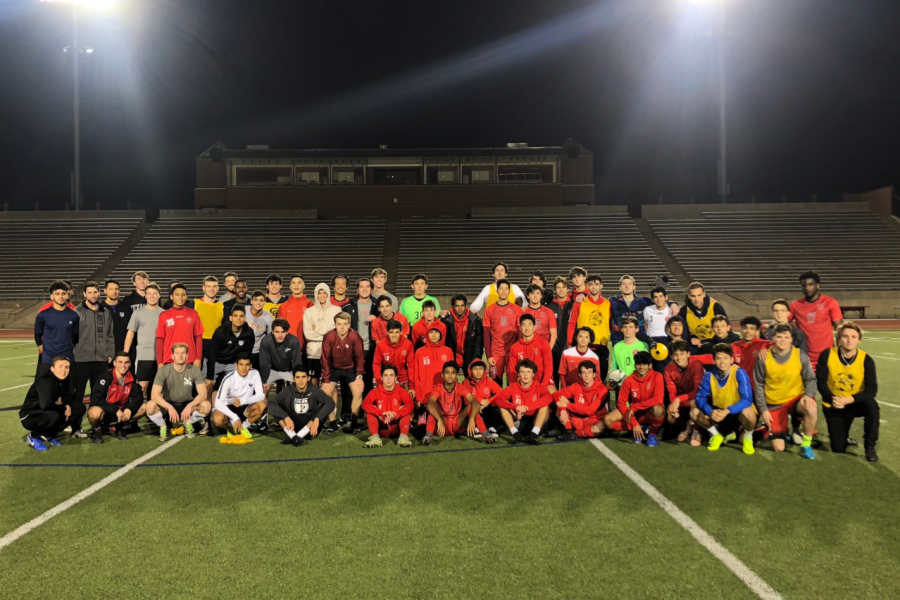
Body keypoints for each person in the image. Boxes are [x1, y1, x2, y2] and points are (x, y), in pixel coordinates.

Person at [817, 321, 879, 461]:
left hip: (855, 402)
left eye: (853, 336)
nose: (849, 340)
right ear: (839, 339)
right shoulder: (827, 355)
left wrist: (850, 399)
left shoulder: (866, 359)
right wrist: (833, 398)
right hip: (834, 403)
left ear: (859, 340)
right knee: (838, 448)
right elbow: (821, 382)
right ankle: (843, 436)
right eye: (845, 336)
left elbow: (872, 389)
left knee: (872, 406)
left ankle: (870, 447)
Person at [753, 324, 818, 459]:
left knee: (811, 408)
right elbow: (758, 384)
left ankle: (806, 446)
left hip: (795, 399)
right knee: (779, 448)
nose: (782, 340)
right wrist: (763, 409)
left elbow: (810, 379)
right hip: (774, 403)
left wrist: (808, 395)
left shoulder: (800, 355)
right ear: (773, 338)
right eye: (779, 337)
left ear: (791, 340)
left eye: (786, 337)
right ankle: (769, 429)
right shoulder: (764, 358)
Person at [692, 344, 757, 455]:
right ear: (714, 360)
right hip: (719, 413)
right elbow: (699, 398)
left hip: (737, 413)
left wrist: (727, 411)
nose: (722, 362)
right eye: (718, 358)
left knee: (749, 413)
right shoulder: (709, 375)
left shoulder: (739, 372)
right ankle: (716, 435)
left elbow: (747, 400)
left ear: (731, 359)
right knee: (694, 412)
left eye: (725, 358)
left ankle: (748, 437)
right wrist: (710, 411)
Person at [71, 281, 115, 438]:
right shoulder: (77, 312)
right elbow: (71, 336)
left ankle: (100, 424)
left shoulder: (105, 312)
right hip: (81, 360)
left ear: (99, 293)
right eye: (89, 292)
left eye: (95, 292)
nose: (93, 295)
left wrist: (110, 353)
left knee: (100, 394)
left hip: (101, 360)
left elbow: (110, 335)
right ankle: (76, 427)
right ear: (84, 294)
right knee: (79, 395)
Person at [147, 343, 210, 441]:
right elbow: (154, 395)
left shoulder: (195, 370)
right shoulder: (163, 371)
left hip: (187, 404)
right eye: (177, 353)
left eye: (183, 353)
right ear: (172, 356)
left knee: (206, 406)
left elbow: (203, 394)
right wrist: (169, 407)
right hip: (168, 405)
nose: (180, 355)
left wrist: (190, 406)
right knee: (150, 406)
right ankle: (163, 426)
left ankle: (188, 422)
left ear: (187, 356)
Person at [606, 352, 665, 447]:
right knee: (607, 420)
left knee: (658, 409)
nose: (641, 367)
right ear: (635, 365)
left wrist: (634, 408)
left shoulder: (657, 376)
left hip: (648, 412)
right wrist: (634, 423)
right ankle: (639, 429)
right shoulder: (628, 380)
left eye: (644, 364)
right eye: (638, 364)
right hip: (635, 415)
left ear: (650, 365)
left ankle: (652, 434)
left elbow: (658, 399)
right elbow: (621, 403)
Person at [422, 362, 488, 445]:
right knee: (432, 410)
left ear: (457, 376)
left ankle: (485, 434)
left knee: (472, 407)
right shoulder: (438, 389)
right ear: (442, 375)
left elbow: (474, 402)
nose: (450, 376)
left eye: (453, 373)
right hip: (443, 424)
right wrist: (439, 419)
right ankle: (428, 436)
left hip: (458, 423)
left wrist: (471, 418)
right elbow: (430, 403)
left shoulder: (461, 388)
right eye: (447, 373)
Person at [86, 352, 145, 443]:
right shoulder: (105, 377)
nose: (123, 365)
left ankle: (118, 427)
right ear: (114, 363)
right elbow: (95, 399)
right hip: (106, 412)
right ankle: (97, 431)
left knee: (144, 408)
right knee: (94, 413)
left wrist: (129, 408)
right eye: (120, 362)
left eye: (126, 362)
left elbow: (139, 396)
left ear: (129, 364)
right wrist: (115, 410)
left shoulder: (132, 377)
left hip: (122, 412)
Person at [269, 366, 336, 447]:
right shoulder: (288, 390)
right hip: (293, 427)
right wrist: (286, 417)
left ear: (308, 378)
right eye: (297, 377)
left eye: (303, 377)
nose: (301, 380)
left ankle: (297, 436)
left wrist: (317, 419)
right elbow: (271, 403)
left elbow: (330, 403)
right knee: (276, 408)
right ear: (293, 379)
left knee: (324, 406)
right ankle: (293, 436)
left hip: (311, 429)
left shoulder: (314, 390)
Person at [320, 312, 365, 431]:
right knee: (326, 392)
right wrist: (325, 379)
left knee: (358, 391)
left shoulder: (355, 336)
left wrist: (359, 376)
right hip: (333, 368)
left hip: (350, 368)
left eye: (345, 324)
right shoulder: (329, 336)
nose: (342, 327)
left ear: (349, 324)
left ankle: (354, 423)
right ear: (335, 324)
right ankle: (332, 423)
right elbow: (324, 358)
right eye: (339, 324)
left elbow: (360, 357)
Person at [790, 271, 843, 369]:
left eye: (810, 285)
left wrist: (840, 352)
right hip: (804, 356)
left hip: (827, 355)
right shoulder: (795, 305)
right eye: (804, 285)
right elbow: (783, 323)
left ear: (818, 285)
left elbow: (840, 330)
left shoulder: (830, 302)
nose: (807, 288)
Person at [492, 359, 552, 444]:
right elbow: (498, 399)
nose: (525, 375)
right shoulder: (513, 386)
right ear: (518, 374)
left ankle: (534, 435)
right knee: (502, 407)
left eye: (528, 372)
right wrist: (515, 407)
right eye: (522, 372)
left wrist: (527, 408)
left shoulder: (539, 386)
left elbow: (548, 398)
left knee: (545, 406)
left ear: (533, 374)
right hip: (519, 422)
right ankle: (515, 434)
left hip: (535, 422)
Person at [21, 356, 75, 451]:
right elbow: (45, 405)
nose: (64, 370)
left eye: (67, 367)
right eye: (60, 366)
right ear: (52, 368)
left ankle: (49, 434)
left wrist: (67, 405)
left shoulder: (66, 379)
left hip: (46, 411)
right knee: (53, 415)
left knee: (78, 409)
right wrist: (64, 408)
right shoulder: (45, 381)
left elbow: (68, 396)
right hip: (29, 415)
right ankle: (33, 436)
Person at [211, 354, 266, 440]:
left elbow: (261, 395)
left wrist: (243, 401)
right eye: (241, 364)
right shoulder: (228, 379)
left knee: (262, 405)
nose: (244, 368)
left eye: (247, 364)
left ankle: (243, 427)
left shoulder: (255, 373)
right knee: (217, 418)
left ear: (250, 366)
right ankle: (231, 426)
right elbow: (218, 403)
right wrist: (235, 417)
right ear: (236, 365)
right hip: (229, 408)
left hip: (246, 407)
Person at [565, 274, 611, 377]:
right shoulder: (580, 302)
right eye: (591, 284)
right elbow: (572, 323)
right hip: (583, 346)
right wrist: (569, 343)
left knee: (601, 379)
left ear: (601, 286)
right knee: (583, 377)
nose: (594, 287)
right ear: (587, 286)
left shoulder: (608, 304)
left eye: (596, 284)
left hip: (601, 346)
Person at [552, 360, 610, 440]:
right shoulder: (577, 386)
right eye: (583, 373)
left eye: (589, 372)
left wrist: (567, 405)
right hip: (579, 419)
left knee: (596, 428)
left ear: (594, 374)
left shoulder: (602, 389)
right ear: (580, 375)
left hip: (595, 420)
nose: (586, 375)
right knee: (561, 402)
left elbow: (590, 411)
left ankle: (572, 433)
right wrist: (563, 410)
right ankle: (568, 431)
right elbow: (556, 394)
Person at [361, 364, 414, 448]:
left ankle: (403, 437)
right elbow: (365, 404)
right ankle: (375, 438)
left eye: (391, 375)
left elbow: (410, 405)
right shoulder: (375, 391)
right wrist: (381, 413)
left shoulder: (401, 391)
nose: (388, 378)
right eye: (385, 375)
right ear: (381, 378)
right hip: (382, 429)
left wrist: (396, 414)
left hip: (397, 429)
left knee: (404, 409)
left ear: (396, 378)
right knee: (371, 410)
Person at [35, 280, 79, 378]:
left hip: (67, 357)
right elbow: (38, 333)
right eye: (57, 293)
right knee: (43, 387)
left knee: (68, 389)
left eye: (63, 293)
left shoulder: (74, 314)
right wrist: (42, 347)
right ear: (52, 296)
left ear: (68, 294)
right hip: (48, 357)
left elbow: (75, 336)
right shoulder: (43, 313)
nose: (61, 296)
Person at [125, 282, 163, 395]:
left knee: (158, 387)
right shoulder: (138, 313)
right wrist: (125, 353)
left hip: (161, 357)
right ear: (145, 295)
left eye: (155, 293)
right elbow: (130, 333)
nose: (152, 296)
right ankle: (138, 409)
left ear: (159, 295)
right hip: (143, 356)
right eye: (149, 293)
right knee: (142, 386)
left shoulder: (165, 314)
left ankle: (154, 411)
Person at [664, 340, 705, 444]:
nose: (679, 358)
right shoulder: (669, 369)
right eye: (676, 355)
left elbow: (697, 391)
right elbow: (671, 391)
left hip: (699, 398)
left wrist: (678, 399)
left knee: (694, 402)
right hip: (683, 399)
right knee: (670, 415)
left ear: (688, 354)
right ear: (671, 357)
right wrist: (674, 406)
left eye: (682, 354)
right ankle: (685, 425)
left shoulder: (696, 365)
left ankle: (697, 430)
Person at [483, 279, 523, 383]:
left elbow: (520, 333)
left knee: (513, 381)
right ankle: (496, 400)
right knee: (495, 381)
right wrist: (488, 355)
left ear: (510, 292)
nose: (504, 291)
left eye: (506, 289)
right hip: (496, 353)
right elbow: (486, 334)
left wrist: (519, 351)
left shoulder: (517, 309)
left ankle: (511, 400)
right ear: (497, 291)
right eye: (501, 288)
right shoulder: (489, 310)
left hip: (512, 352)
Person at [155, 284, 203, 368]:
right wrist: (159, 362)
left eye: (183, 295)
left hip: (189, 360)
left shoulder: (193, 313)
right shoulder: (164, 315)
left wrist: (198, 358)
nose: (180, 298)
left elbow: (198, 337)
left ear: (186, 296)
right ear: (171, 297)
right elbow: (160, 339)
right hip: (170, 361)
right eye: (177, 295)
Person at [206, 305, 255, 386]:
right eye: (235, 316)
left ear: (245, 319)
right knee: (208, 385)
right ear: (230, 318)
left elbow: (247, 354)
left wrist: (244, 371)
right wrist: (210, 376)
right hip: (216, 361)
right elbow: (212, 354)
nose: (238, 318)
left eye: (241, 316)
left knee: (239, 384)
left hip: (232, 363)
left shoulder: (249, 333)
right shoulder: (220, 331)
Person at [302, 283, 341, 385]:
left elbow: (336, 333)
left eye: (324, 293)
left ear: (328, 294)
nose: (322, 295)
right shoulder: (309, 312)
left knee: (329, 383)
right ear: (316, 294)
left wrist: (317, 329)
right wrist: (327, 333)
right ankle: (314, 402)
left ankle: (329, 402)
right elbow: (308, 334)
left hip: (331, 353)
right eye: (319, 293)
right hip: (313, 352)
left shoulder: (336, 310)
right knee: (313, 382)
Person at [344, 277, 376, 396]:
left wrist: (376, 318)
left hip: (369, 349)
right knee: (351, 380)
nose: (364, 289)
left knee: (368, 380)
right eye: (361, 286)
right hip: (353, 349)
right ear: (357, 290)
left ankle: (367, 410)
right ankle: (351, 411)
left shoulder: (377, 305)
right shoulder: (348, 306)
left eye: (367, 286)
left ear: (371, 289)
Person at [507, 314, 555, 393]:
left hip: (542, 381)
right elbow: (512, 371)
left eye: (529, 325)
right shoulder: (514, 347)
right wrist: (514, 387)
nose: (527, 328)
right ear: (520, 328)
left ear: (534, 327)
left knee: (551, 392)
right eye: (524, 325)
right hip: (524, 382)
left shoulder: (543, 343)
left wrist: (542, 385)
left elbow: (548, 367)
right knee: (509, 394)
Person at [410, 324, 455, 408]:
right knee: (426, 421)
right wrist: (419, 398)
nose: (434, 335)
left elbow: (453, 376)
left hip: (444, 397)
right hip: (425, 397)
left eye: (437, 332)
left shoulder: (448, 351)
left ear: (441, 334)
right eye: (431, 332)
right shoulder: (419, 352)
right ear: (427, 334)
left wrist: (452, 395)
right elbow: (416, 377)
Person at [441, 294, 484, 371]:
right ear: (453, 307)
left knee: (471, 383)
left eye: (462, 305)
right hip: (451, 359)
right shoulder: (445, 321)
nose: (460, 308)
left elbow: (479, 343)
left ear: (466, 306)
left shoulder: (475, 321)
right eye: (457, 306)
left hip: (470, 359)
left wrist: (475, 360)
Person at [259, 319, 303, 395]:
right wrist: (264, 381)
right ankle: (264, 406)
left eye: (283, 332)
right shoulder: (266, 341)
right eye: (277, 332)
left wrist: (297, 378)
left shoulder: (294, 341)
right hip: (272, 370)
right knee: (264, 391)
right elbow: (265, 363)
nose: (280, 335)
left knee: (297, 391)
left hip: (289, 371)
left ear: (287, 332)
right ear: (272, 332)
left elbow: (297, 362)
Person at [679, 282, 728, 349]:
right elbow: (683, 332)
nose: (696, 299)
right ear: (689, 296)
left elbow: (727, 327)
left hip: (716, 344)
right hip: (695, 347)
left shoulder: (715, 307)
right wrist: (691, 338)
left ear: (704, 294)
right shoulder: (684, 311)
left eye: (699, 295)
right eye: (693, 296)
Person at [609, 275, 654, 344]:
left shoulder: (644, 301)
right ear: (620, 287)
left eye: (629, 284)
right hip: (618, 340)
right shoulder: (612, 301)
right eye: (624, 284)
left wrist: (672, 304)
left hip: (640, 341)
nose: (627, 286)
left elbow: (660, 303)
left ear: (634, 287)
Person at [465, 359, 502, 440]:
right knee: (468, 407)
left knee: (498, 407)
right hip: (473, 411)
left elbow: (501, 392)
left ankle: (492, 428)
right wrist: (480, 401)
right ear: (470, 371)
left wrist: (488, 401)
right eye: (475, 369)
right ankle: (476, 428)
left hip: (485, 409)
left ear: (484, 370)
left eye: (481, 369)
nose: (478, 372)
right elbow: (464, 397)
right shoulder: (466, 382)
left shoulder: (488, 380)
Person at [194, 276, 223, 378]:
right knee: (195, 376)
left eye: (214, 286)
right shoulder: (194, 303)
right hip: (198, 343)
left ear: (218, 288)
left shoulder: (222, 305)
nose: (212, 289)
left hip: (215, 344)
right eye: (209, 286)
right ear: (203, 288)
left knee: (211, 378)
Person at [373, 319, 415, 388]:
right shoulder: (381, 345)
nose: (394, 335)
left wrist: (412, 386)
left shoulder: (408, 344)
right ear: (387, 333)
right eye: (391, 332)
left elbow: (411, 365)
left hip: (402, 374)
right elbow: (376, 364)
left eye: (397, 332)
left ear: (401, 332)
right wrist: (379, 381)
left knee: (407, 392)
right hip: (386, 374)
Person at [277, 274, 314, 351]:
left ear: (304, 286)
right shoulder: (283, 306)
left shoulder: (310, 305)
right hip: (288, 346)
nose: (296, 285)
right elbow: (280, 328)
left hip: (307, 346)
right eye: (293, 283)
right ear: (290, 287)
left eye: (299, 283)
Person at [731, 316, 772, 383]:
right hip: (739, 386)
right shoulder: (733, 346)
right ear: (741, 330)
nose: (748, 331)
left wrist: (764, 347)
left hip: (757, 387)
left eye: (752, 329)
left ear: (757, 331)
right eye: (745, 328)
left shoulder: (763, 344)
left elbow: (780, 343)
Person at [550, 276, 575, 385]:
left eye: (563, 287)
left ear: (567, 289)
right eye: (558, 287)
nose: (561, 290)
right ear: (555, 289)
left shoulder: (574, 304)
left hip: (570, 346)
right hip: (554, 348)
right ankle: (554, 401)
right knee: (554, 378)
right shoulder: (550, 306)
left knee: (569, 378)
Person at [522, 284, 558, 349]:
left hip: (544, 347)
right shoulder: (522, 312)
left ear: (541, 296)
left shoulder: (549, 312)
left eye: (538, 293)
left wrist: (548, 350)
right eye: (532, 293)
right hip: (528, 347)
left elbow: (554, 334)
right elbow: (520, 333)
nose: (535, 296)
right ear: (528, 296)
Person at [245, 290, 273, 370]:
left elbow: (270, 337)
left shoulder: (268, 317)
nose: (258, 303)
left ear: (264, 302)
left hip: (258, 353)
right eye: (256, 300)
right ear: (251, 301)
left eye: (261, 300)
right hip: (242, 350)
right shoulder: (244, 311)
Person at [103, 279, 131, 352]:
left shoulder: (126, 308)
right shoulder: (100, 308)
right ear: (105, 291)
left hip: (123, 351)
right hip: (105, 352)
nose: (114, 292)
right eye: (111, 289)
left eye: (116, 289)